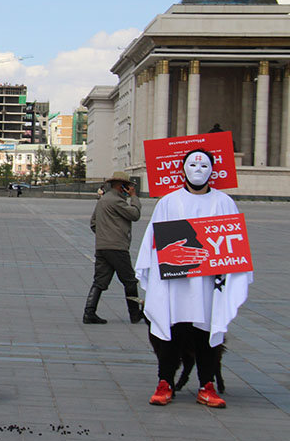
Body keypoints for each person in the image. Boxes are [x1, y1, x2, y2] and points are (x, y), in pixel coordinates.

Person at [135, 149, 252, 408]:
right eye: (193, 164)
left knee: (207, 329)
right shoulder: (168, 202)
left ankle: (206, 384)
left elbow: (233, 243)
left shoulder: (224, 202)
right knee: (171, 328)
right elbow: (154, 242)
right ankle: (165, 382)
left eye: (204, 164)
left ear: (213, 170)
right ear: (183, 169)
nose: (198, 169)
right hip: (175, 282)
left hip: (210, 283)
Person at [83, 171, 142, 325]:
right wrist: (134, 197)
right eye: (127, 185)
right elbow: (135, 215)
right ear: (120, 185)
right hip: (117, 247)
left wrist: (104, 235)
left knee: (100, 280)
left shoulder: (103, 200)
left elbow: (93, 223)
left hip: (102, 246)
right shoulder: (116, 201)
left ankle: (89, 312)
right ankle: (135, 314)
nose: (129, 188)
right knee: (129, 280)